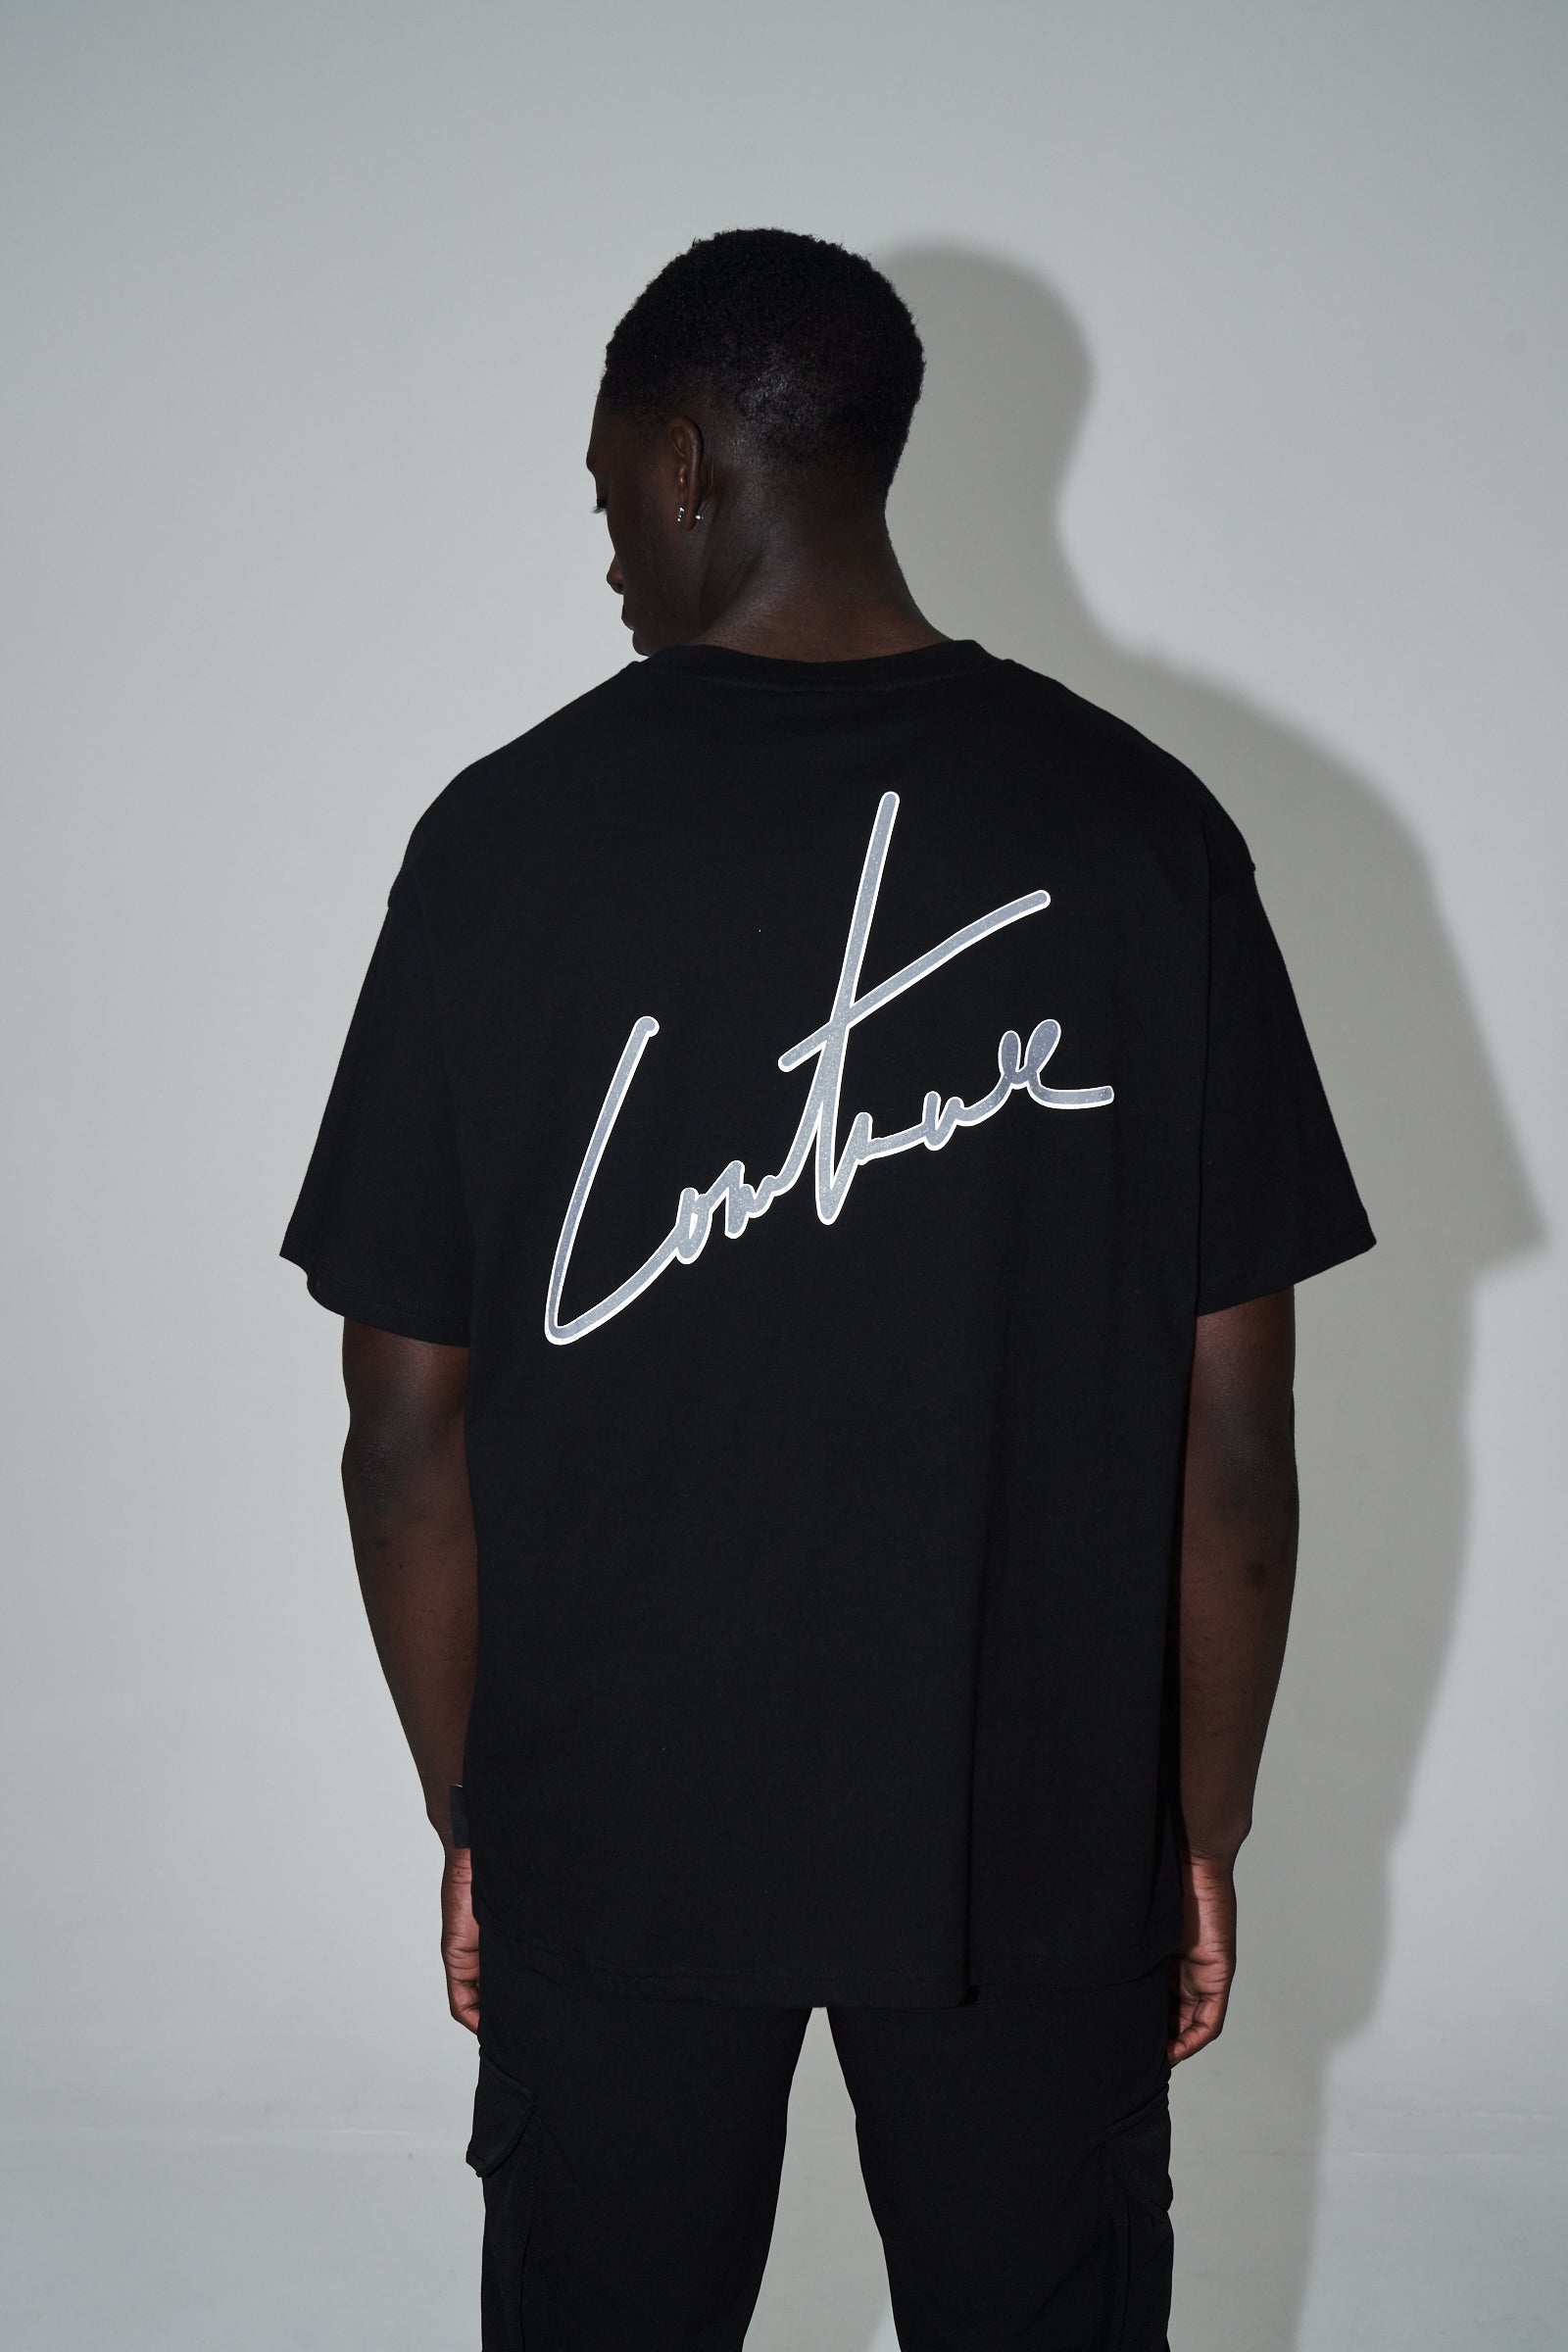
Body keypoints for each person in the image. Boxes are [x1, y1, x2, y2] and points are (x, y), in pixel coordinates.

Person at [281, 226, 1374, 2350]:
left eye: (610, 489)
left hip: (615, 1837)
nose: (609, 547)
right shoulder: (1141, 834)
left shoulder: (501, 845)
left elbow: (401, 1435)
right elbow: (1236, 1440)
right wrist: (1195, 1823)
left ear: (689, 461)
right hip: (1035, 1839)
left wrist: (476, 1809)